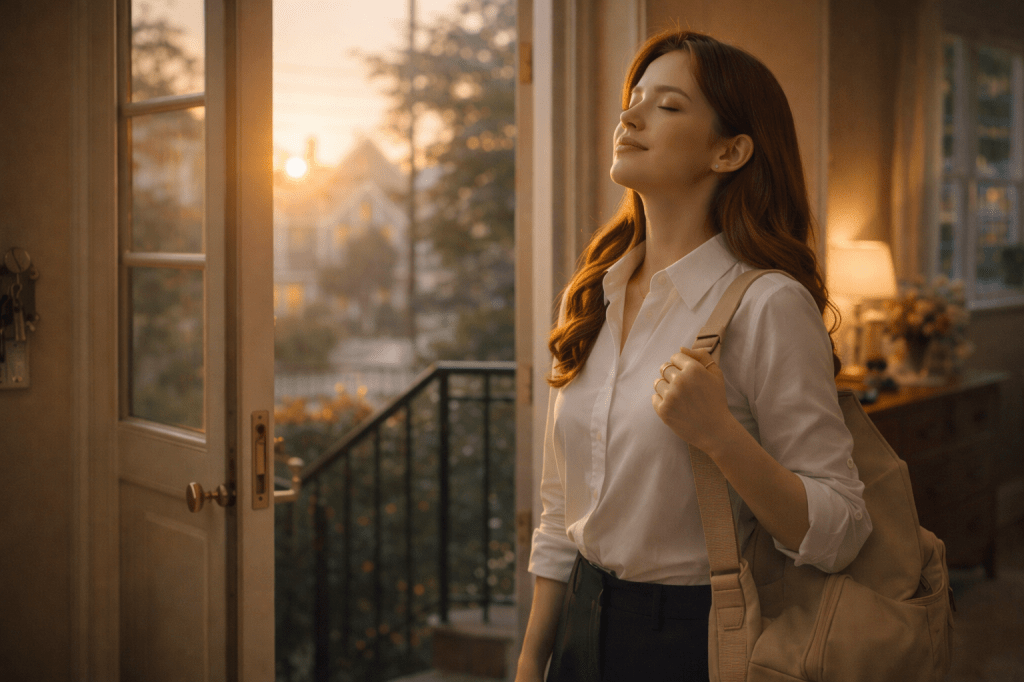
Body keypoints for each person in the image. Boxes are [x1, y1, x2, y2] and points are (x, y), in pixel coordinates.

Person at [515, 30, 873, 682]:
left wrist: (721, 437)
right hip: (577, 632)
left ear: (729, 151)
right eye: (633, 100)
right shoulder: (592, 295)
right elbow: (559, 510)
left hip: (696, 641)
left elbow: (842, 529)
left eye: (668, 105)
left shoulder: (768, 305)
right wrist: (532, 659)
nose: (629, 117)